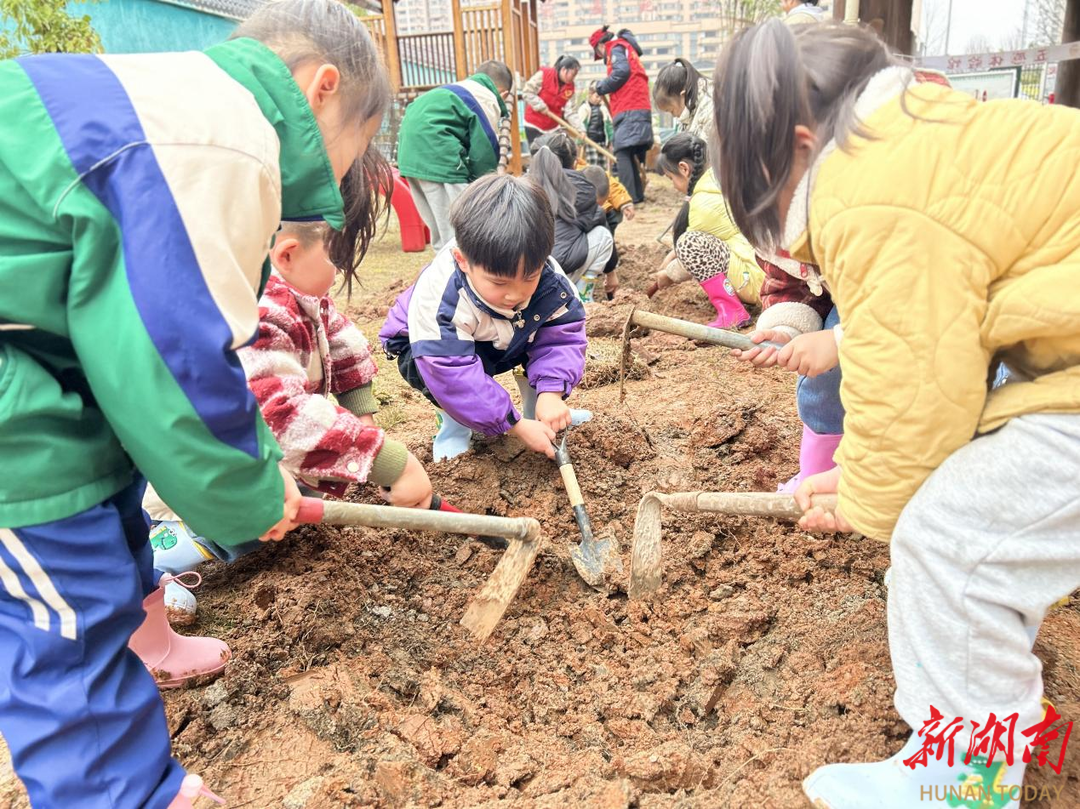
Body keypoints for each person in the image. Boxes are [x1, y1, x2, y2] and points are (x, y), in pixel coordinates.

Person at [0, 0, 391, 805]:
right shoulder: (225, 143)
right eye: (360, 143)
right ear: (323, 90)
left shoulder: (181, 102)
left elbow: (169, 345)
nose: (351, 172)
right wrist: (249, 493)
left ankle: (146, 635)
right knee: (64, 603)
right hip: (14, 384)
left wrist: (245, 469)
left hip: (35, 334)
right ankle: (122, 791)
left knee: (106, 468)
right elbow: (173, 360)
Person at [714, 20, 1080, 808]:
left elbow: (916, 384)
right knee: (981, 520)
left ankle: (965, 784)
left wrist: (867, 493)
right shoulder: (922, 139)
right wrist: (863, 471)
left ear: (802, 147)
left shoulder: (869, 183)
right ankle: (1003, 724)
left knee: (946, 540)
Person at [146, 221, 433, 625]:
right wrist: (390, 461)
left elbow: (339, 337)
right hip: (201, 465)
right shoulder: (258, 308)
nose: (339, 274)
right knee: (248, 514)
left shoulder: (300, 291)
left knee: (290, 494)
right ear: (287, 254)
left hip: (257, 446)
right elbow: (282, 413)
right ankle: (156, 562)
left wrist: (362, 414)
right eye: (338, 260)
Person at [379, 174, 588, 462]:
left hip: (500, 337)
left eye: (529, 277)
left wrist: (551, 393)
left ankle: (539, 414)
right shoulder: (441, 297)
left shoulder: (553, 284)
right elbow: (451, 373)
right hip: (424, 349)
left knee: (540, 334)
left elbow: (562, 339)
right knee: (441, 377)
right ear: (463, 261)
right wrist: (512, 426)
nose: (514, 294)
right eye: (499, 283)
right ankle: (454, 428)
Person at [396, 60, 513, 250]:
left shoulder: (457, 89)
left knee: (440, 231)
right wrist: (487, 188)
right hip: (439, 158)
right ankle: (457, 273)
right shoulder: (485, 98)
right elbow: (484, 149)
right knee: (460, 228)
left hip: (410, 157)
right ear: (504, 94)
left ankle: (445, 268)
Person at [652, 133, 763, 328]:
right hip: (766, 271)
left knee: (689, 243)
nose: (673, 185)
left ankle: (732, 312)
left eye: (671, 178)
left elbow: (692, 257)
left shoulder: (703, 202)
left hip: (757, 281)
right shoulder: (720, 180)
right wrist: (672, 256)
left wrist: (667, 275)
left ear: (684, 169)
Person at [529, 131, 614, 303]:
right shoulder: (582, 188)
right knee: (603, 235)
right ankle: (582, 298)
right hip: (558, 272)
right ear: (575, 163)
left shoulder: (520, 185)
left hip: (521, 276)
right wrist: (611, 272)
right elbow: (601, 222)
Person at [590, 25, 654, 205]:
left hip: (629, 106)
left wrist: (601, 86)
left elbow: (621, 72)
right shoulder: (628, 49)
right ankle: (637, 195)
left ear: (601, 46)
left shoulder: (615, 49)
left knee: (622, 150)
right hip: (638, 105)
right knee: (628, 150)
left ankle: (629, 197)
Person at [580, 164, 634, 298]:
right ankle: (582, 294)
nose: (597, 209)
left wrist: (623, 202)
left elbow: (611, 185)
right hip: (561, 263)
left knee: (610, 217)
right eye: (595, 205)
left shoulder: (584, 168)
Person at [522, 54, 582, 149]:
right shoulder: (544, 74)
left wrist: (580, 129)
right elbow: (527, 91)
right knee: (538, 154)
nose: (573, 78)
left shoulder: (570, 88)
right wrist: (540, 106)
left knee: (554, 155)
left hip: (552, 127)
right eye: (573, 74)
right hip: (534, 123)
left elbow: (571, 112)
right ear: (563, 70)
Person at [653, 58, 714, 140]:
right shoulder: (687, 114)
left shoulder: (710, 109)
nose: (674, 116)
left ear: (682, 95)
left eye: (671, 110)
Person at [577, 82, 614, 167]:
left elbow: (608, 125)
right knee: (592, 164)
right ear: (590, 95)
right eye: (597, 97)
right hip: (590, 141)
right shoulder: (584, 109)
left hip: (602, 142)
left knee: (603, 165)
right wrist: (580, 141)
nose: (599, 99)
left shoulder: (603, 109)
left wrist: (611, 139)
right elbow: (580, 124)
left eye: (600, 97)